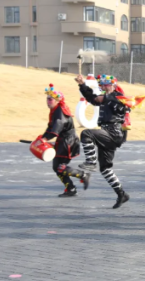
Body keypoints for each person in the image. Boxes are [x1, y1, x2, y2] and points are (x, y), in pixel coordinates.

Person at [76, 74, 130, 209]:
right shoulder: (106, 97)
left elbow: (100, 99)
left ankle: (91, 162)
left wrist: (101, 96)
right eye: (103, 85)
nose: (105, 87)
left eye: (107, 85)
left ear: (114, 85)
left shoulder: (118, 97)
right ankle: (122, 194)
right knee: (105, 169)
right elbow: (92, 99)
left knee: (86, 133)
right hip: (106, 133)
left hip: (114, 133)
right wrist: (82, 84)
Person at [42, 84, 90, 197]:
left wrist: (46, 138)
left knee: (61, 168)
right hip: (62, 141)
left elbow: (57, 127)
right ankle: (71, 189)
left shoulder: (60, 111)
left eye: (50, 99)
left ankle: (83, 175)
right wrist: (42, 138)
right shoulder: (54, 110)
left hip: (68, 142)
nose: (48, 101)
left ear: (57, 100)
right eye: (47, 99)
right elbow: (50, 127)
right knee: (56, 167)